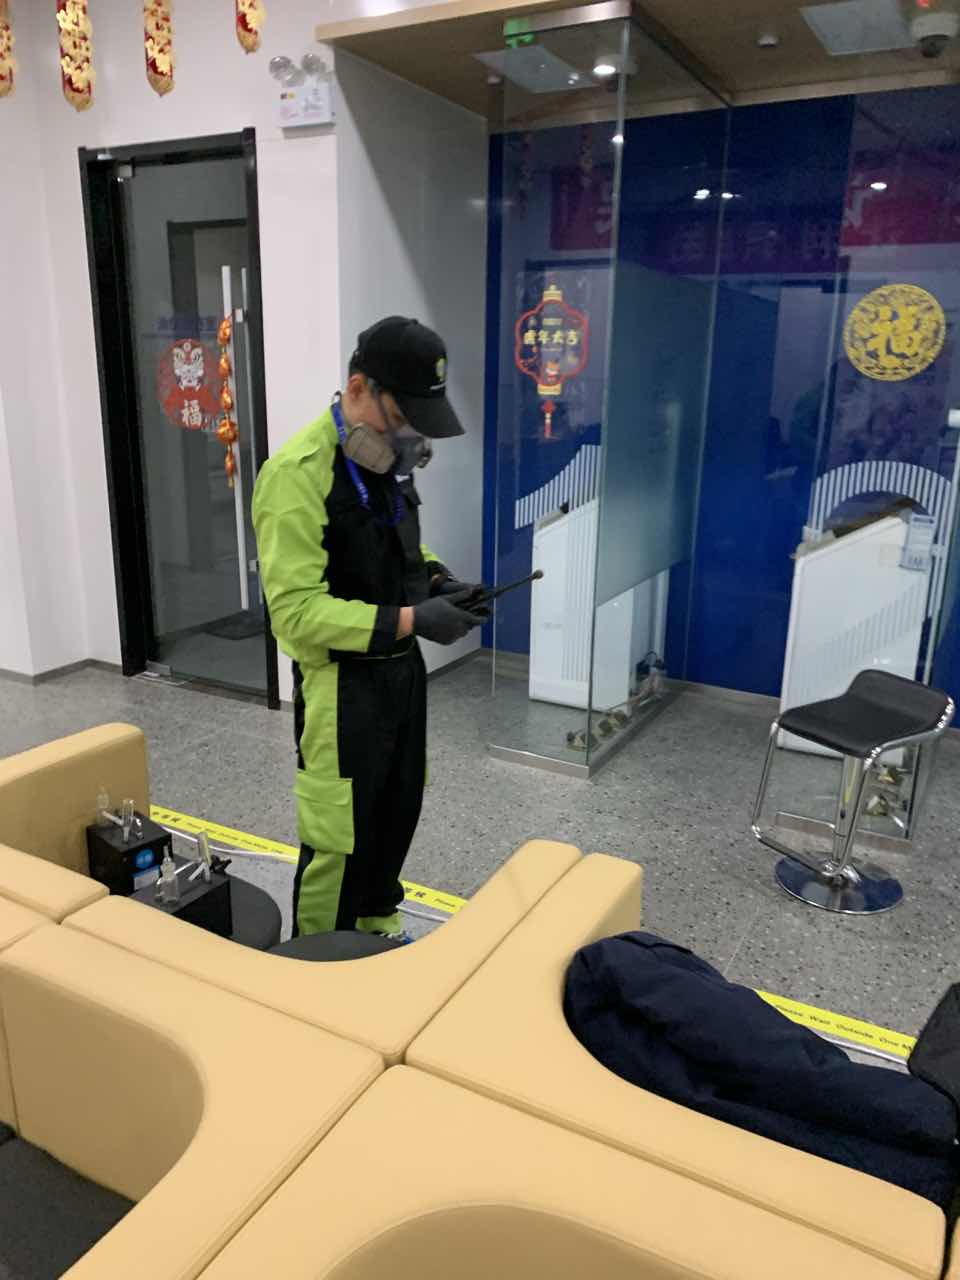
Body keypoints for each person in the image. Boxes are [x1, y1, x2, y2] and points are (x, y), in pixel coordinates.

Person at [252, 317, 485, 938]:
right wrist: (411, 618)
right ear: (358, 389)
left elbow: (397, 548)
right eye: (401, 418)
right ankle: (316, 964)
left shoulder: (382, 462)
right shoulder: (296, 474)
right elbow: (295, 613)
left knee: (395, 813)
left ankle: (378, 929)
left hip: (402, 677)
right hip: (342, 688)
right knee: (339, 840)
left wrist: (437, 582)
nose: (409, 437)